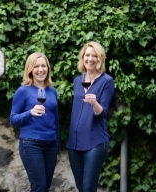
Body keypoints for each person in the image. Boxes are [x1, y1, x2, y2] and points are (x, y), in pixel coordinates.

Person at [66, 41, 115, 192]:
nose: (90, 59)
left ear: (100, 59)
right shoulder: (77, 81)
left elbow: (103, 113)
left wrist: (95, 104)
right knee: (81, 188)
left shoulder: (106, 81)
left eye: (95, 56)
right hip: (75, 143)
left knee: (88, 188)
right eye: (87, 55)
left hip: (95, 142)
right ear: (82, 57)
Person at [10, 52, 60, 192]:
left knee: (46, 187)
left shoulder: (52, 92)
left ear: (48, 68)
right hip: (31, 144)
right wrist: (30, 112)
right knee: (38, 187)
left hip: (50, 145)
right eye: (36, 66)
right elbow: (13, 119)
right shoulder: (23, 91)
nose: (40, 69)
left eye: (43, 66)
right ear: (30, 70)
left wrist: (57, 149)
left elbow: (56, 122)